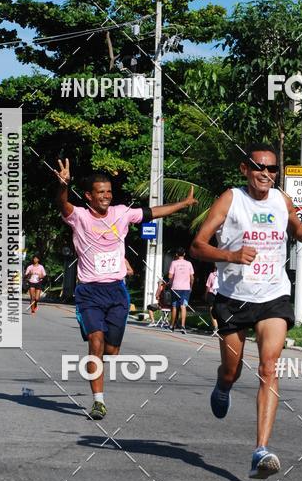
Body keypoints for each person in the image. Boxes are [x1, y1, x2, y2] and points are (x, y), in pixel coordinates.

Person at [190, 143, 302, 479]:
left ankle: (261, 450)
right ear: (245, 170)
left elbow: (297, 229)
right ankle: (223, 386)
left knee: (269, 367)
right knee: (231, 370)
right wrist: (232, 256)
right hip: (233, 298)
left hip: (273, 296)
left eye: (272, 168)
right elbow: (197, 245)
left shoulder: (282, 200)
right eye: (258, 167)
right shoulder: (231, 199)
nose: (266, 173)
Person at [55, 157, 196, 420]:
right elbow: (63, 206)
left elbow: (153, 212)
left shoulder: (122, 212)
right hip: (89, 292)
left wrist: (184, 205)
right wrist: (63, 185)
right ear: (88, 196)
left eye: (109, 191)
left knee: (111, 351)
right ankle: (98, 401)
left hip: (117, 292)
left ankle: (97, 366)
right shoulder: (81, 218)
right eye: (101, 192)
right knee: (96, 342)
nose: (106, 196)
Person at [168, 248, 194, 334]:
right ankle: (183, 326)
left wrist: (170, 284)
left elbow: (170, 276)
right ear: (184, 254)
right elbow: (192, 277)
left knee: (174, 306)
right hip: (185, 288)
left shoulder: (174, 263)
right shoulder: (189, 263)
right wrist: (191, 286)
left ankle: (172, 326)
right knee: (183, 306)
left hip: (175, 287)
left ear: (176, 254)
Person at [205, 265, 219, 334]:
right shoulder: (222, 275)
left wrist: (206, 294)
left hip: (211, 293)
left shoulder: (211, 274)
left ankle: (215, 326)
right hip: (219, 294)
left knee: (211, 310)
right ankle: (218, 326)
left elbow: (208, 285)